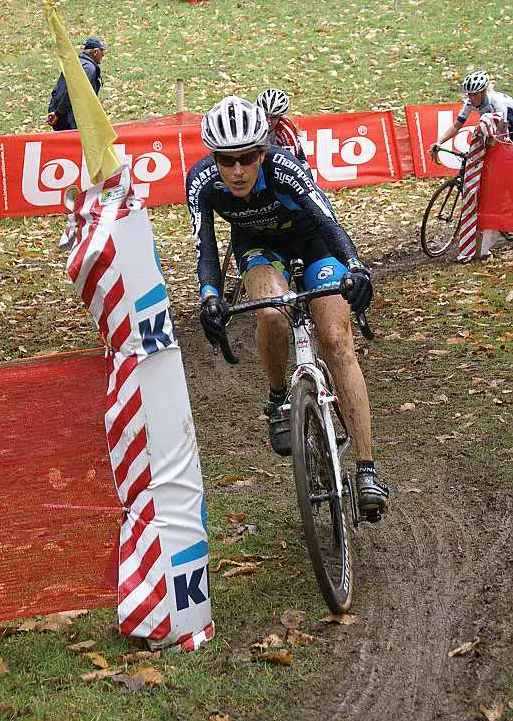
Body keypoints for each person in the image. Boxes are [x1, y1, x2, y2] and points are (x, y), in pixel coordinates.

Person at [186, 96, 389, 519]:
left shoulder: (284, 168)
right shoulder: (202, 181)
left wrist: (355, 268)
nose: (237, 170)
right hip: (258, 249)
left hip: (313, 244)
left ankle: (367, 470)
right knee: (271, 312)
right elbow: (205, 246)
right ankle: (279, 397)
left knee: (336, 340)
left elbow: (328, 222)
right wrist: (208, 295)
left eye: (246, 158)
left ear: (261, 152)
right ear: (214, 157)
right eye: (227, 160)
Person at [430, 70, 513, 161]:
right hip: (498, 124)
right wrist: (439, 142)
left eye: (475, 94)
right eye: (469, 94)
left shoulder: (497, 103)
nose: (472, 98)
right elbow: (456, 126)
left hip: (508, 120)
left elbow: (502, 132)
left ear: (483, 92)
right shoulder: (469, 103)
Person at [47, 36, 106, 131]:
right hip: (71, 120)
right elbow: (74, 93)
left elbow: (57, 90)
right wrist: (58, 113)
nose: (103, 55)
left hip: (60, 117)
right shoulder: (89, 68)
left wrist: (53, 111)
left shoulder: (74, 64)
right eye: (102, 51)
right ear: (95, 52)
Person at [257, 88, 310, 169]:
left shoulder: (286, 131)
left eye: (274, 117)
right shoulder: (253, 121)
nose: (269, 121)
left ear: (280, 117)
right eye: (265, 115)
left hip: (292, 159)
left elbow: (291, 164)